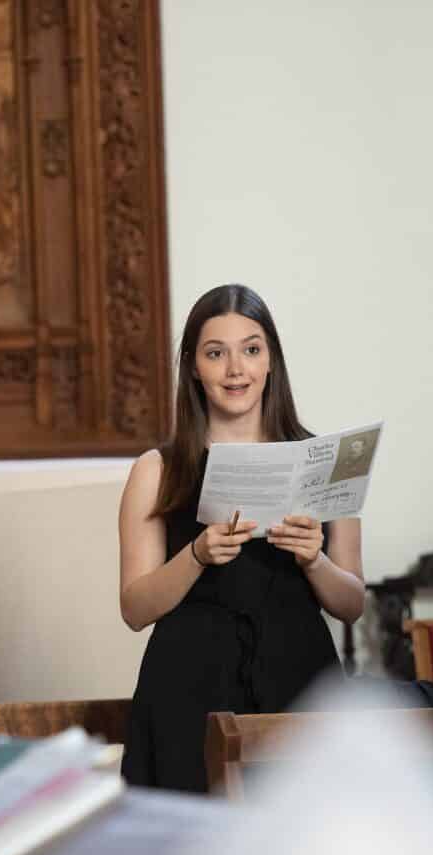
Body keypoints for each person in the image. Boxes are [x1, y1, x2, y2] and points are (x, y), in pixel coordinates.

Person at [117, 284, 366, 792]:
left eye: (251, 350)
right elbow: (135, 608)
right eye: (216, 353)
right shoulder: (157, 470)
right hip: (189, 688)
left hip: (301, 680)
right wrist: (197, 555)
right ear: (193, 367)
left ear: (271, 359)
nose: (236, 369)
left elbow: (352, 603)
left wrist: (314, 561)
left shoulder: (325, 459)